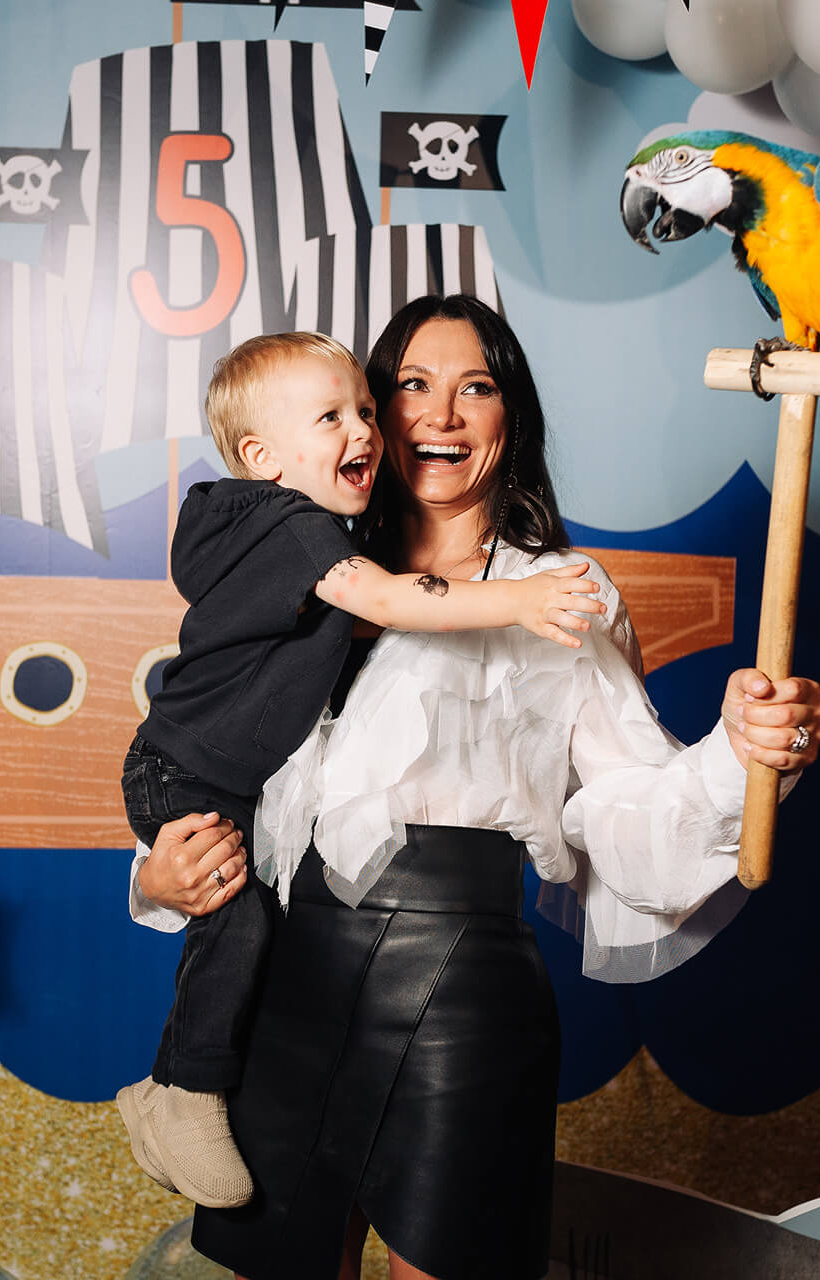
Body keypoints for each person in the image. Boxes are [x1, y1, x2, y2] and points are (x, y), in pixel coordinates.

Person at [132, 296, 820, 1279]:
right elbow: (209, 744)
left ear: (512, 418)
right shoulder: (295, 563)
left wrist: (741, 753)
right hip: (279, 985)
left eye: (477, 387)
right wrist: (160, 875)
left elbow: (627, 811)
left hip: (457, 999)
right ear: (369, 407)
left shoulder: (563, 591)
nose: (441, 414)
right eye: (412, 385)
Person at [116, 331, 606, 1210]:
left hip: (431, 970)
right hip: (195, 779)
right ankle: (180, 1089)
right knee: (236, 920)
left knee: (240, 918)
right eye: (335, 416)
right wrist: (519, 601)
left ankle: (175, 1084)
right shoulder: (297, 527)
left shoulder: (252, 528)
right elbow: (380, 600)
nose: (365, 431)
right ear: (262, 457)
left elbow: (361, 618)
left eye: (365, 412)